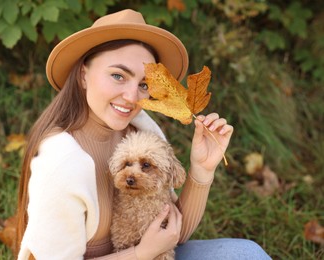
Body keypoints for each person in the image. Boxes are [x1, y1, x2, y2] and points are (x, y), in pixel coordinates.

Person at [15, 9, 271, 260]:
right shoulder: (61, 161)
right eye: (118, 75)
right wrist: (140, 253)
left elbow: (172, 236)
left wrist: (202, 169)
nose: (131, 96)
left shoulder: (140, 131)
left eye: (144, 84)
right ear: (84, 75)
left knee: (246, 254)